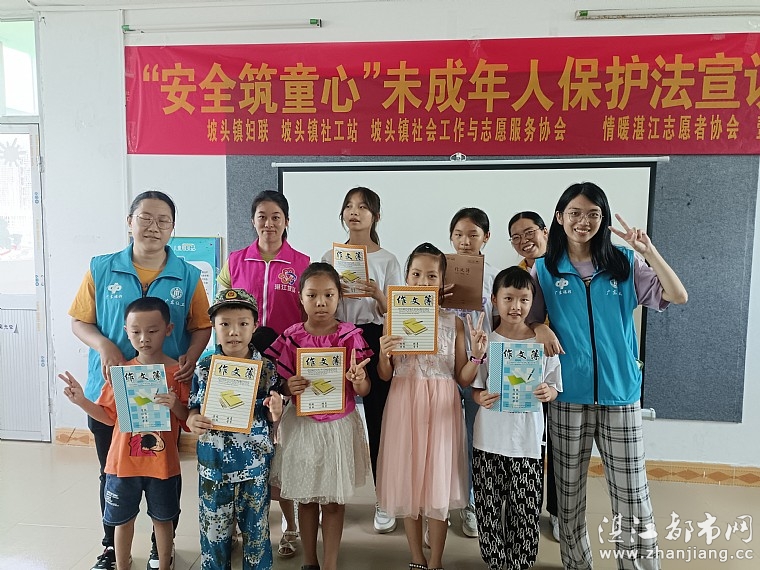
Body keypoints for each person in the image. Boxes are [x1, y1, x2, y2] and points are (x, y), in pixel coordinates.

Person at [528, 182, 688, 569]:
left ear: (602, 219)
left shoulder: (624, 263)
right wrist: (538, 327)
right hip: (567, 396)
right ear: (559, 217)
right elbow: (526, 317)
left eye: (593, 214)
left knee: (633, 498)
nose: (583, 221)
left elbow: (677, 295)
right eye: (575, 213)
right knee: (568, 501)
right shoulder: (545, 268)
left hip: (620, 395)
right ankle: (576, 564)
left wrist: (648, 252)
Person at [68, 190, 211, 570]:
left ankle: (160, 547)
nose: (153, 227)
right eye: (145, 218)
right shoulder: (101, 268)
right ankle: (111, 547)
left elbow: (201, 326)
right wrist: (103, 345)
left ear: (173, 228)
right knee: (113, 469)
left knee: (162, 468)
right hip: (112, 390)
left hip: (166, 390)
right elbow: (80, 321)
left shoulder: (187, 275)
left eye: (163, 220)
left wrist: (191, 355)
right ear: (129, 222)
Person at [375, 243, 485, 570]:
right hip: (403, 402)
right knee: (408, 482)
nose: (423, 282)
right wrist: (383, 354)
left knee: (437, 486)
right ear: (406, 277)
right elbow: (385, 374)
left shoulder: (455, 323)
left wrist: (478, 356)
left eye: (431, 276)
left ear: (442, 282)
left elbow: (462, 377)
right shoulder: (393, 318)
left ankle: (436, 561)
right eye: (416, 274)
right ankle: (416, 558)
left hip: (441, 408)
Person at [59, 297, 190, 570]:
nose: (144, 338)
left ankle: (164, 564)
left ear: (168, 329)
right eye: (136, 331)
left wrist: (175, 404)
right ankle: (121, 565)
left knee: (163, 519)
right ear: (126, 331)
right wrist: (82, 401)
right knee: (122, 520)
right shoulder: (120, 373)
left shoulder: (178, 374)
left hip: (163, 465)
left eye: (152, 331)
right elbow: (108, 417)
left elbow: (187, 420)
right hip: (122, 465)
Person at [217, 190, 309, 555]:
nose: (268, 224)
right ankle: (242, 522)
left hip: (284, 366)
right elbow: (221, 311)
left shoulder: (302, 263)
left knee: (281, 445)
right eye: (262, 216)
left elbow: (310, 316)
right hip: (242, 364)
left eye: (276, 217)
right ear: (253, 220)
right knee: (241, 441)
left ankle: (290, 525)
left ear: (287, 221)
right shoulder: (235, 261)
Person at [265, 262, 372, 570]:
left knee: (334, 500)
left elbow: (364, 389)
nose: (321, 302)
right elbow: (281, 384)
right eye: (312, 295)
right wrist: (288, 386)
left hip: (339, 426)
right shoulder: (292, 337)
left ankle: (330, 563)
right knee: (307, 497)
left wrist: (357, 380)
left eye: (328, 295)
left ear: (339, 297)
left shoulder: (350, 336)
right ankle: (310, 561)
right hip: (303, 425)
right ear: (301, 298)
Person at [320, 186, 403, 534]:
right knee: (328, 417)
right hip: (337, 337)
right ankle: (328, 495)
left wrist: (377, 294)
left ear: (376, 216)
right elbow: (320, 303)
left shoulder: (388, 260)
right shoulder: (330, 256)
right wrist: (334, 294)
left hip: (373, 337)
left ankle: (384, 497)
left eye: (363, 207)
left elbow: (397, 313)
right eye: (349, 206)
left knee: (379, 420)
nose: (354, 212)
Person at [471, 266, 562, 570]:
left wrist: (548, 392)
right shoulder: (487, 341)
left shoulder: (542, 343)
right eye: (508, 298)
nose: (516, 306)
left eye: (524, 299)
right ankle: (496, 562)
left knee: (525, 511)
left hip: (527, 443)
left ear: (532, 302)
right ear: (494, 300)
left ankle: (519, 563)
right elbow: (476, 388)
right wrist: (479, 397)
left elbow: (554, 385)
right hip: (489, 440)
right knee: (488, 508)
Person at [187, 288, 283, 570]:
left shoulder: (267, 369)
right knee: (213, 535)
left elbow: (272, 414)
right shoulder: (205, 367)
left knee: (256, 534)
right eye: (225, 324)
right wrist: (193, 420)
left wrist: (276, 411)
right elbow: (194, 407)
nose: (234, 332)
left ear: (254, 326)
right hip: (213, 466)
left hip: (253, 466)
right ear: (214, 327)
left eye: (243, 323)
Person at [508, 210, 560, 542]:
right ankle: (523, 507)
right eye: (516, 237)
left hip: (563, 362)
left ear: (545, 231)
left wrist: (543, 326)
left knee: (559, 444)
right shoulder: (517, 275)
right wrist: (538, 326)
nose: (524, 241)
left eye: (529, 233)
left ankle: (557, 510)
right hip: (527, 367)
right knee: (530, 441)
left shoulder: (564, 266)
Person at [447, 207, 499, 539]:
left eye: (473, 235)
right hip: (444, 368)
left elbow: (501, 322)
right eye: (458, 235)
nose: (465, 241)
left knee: (475, 438)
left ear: (486, 237)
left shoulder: (494, 276)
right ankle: (441, 502)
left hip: (481, 369)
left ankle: (473, 503)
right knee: (444, 438)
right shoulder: (440, 273)